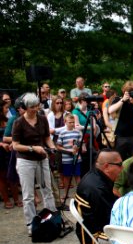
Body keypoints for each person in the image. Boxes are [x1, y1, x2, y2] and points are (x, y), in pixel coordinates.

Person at [12, 93, 57, 235]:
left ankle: (53, 219)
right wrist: (32, 148)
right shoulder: (18, 122)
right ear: (25, 107)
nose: (35, 109)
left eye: (37, 106)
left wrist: (52, 147)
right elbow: (15, 145)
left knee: (47, 190)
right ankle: (32, 224)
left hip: (42, 158)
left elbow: (47, 137)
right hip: (25, 160)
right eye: (32, 107)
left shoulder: (42, 119)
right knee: (28, 195)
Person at [74, 149, 122, 244]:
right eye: (120, 164)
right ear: (107, 167)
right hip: (93, 234)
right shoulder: (98, 189)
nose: (123, 167)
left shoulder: (95, 175)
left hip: (92, 226)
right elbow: (111, 220)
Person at [108, 80, 133, 161]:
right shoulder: (118, 99)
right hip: (120, 136)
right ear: (124, 91)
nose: (131, 93)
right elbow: (110, 110)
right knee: (119, 160)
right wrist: (123, 100)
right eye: (129, 91)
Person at [56, 114, 82, 196]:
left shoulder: (78, 132)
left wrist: (77, 147)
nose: (72, 124)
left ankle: (80, 194)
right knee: (66, 177)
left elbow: (80, 143)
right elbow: (58, 146)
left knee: (77, 175)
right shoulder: (62, 133)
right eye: (70, 122)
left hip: (77, 158)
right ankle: (66, 194)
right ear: (65, 122)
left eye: (73, 122)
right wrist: (68, 150)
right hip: (66, 159)